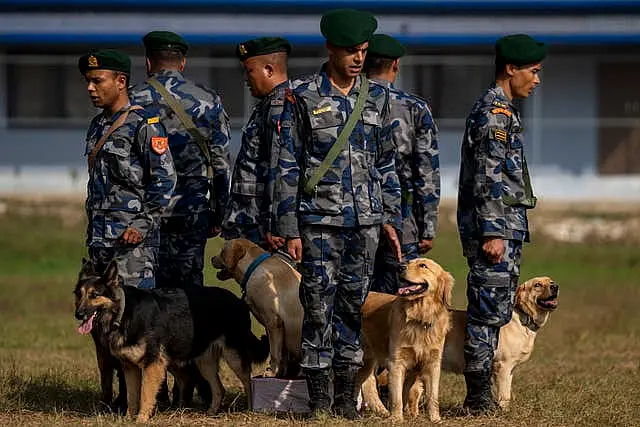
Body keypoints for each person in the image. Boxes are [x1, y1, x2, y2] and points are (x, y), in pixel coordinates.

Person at [274, 9, 402, 419]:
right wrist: (288, 226)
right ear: (330, 48)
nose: (358, 58)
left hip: (364, 223)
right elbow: (287, 165)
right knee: (317, 305)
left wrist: (390, 218)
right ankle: (318, 399)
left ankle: (347, 397)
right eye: (350, 51)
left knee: (352, 305)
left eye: (363, 51)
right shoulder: (302, 95)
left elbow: (386, 163)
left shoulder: (378, 97)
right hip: (319, 222)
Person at [79, 48, 176, 410]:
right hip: (102, 243)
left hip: (132, 246)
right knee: (103, 325)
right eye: (87, 81)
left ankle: (148, 400)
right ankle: (114, 396)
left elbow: (165, 181)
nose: (90, 88)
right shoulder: (98, 126)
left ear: (121, 82)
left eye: (96, 80)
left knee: (135, 324)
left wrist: (143, 223)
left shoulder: (144, 124)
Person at [457, 33, 546, 414]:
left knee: (495, 310)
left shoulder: (505, 111)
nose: (537, 80)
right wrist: (492, 230)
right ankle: (478, 398)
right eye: (533, 71)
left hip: (507, 228)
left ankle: (486, 396)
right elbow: (487, 176)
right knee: (486, 313)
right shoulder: (493, 113)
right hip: (495, 231)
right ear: (511, 69)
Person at [130, 30, 232, 290]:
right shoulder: (208, 100)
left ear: (148, 62)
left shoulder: (132, 100)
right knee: (188, 292)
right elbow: (221, 165)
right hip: (192, 209)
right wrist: (219, 214)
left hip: (145, 210)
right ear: (182, 63)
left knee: (145, 291)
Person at [364, 34, 441, 295]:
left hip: (352, 218)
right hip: (403, 221)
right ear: (395, 64)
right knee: (401, 301)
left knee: (355, 304)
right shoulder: (414, 108)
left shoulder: (346, 104)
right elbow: (427, 173)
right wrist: (427, 226)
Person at [222, 36, 292, 251]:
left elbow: (280, 169)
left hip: (263, 228)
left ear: (269, 70)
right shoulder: (267, 106)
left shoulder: (278, 108)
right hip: (255, 222)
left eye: (249, 70)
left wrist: (276, 224)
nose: (245, 78)